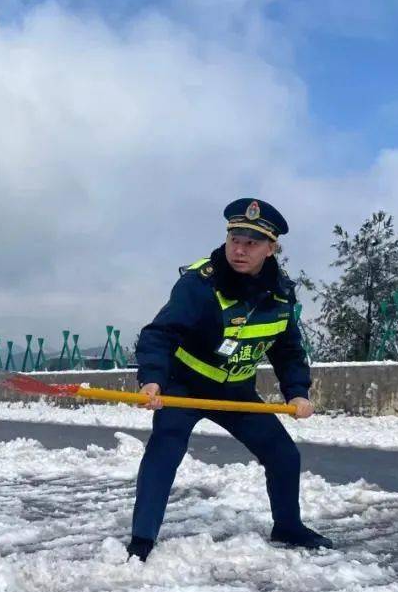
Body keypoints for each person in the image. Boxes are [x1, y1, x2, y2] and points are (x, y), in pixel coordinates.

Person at [127, 198, 333, 562]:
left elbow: (288, 349)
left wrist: (297, 392)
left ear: (271, 249)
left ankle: (288, 526)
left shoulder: (279, 295)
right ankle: (142, 539)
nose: (239, 249)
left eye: (251, 243)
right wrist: (152, 380)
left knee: (283, 453)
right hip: (184, 385)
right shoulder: (200, 284)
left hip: (235, 390)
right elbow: (160, 333)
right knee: (165, 448)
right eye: (234, 239)